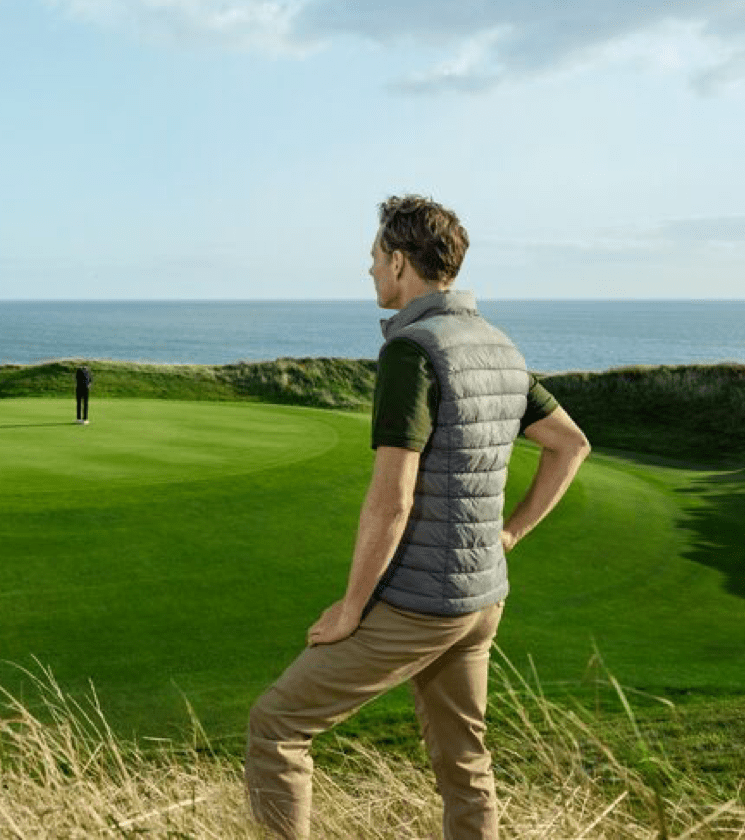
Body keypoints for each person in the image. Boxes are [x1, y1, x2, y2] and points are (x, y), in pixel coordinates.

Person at [244, 195, 591, 840]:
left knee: (277, 727)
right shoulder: (499, 346)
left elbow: (392, 498)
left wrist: (352, 607)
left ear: (401, 263)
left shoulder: (414, 351)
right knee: (464, 765)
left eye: (375, 257)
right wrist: (509, 534)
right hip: (482, 599)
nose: (369, 269)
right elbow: (571, 444)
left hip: (422, 604)